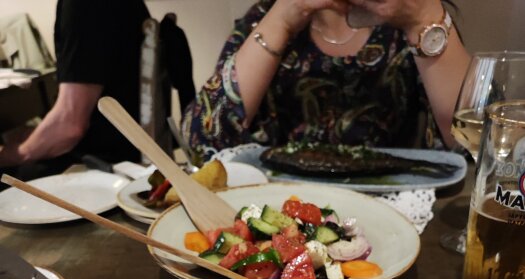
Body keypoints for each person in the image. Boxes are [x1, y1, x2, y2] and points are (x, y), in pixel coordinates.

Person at [182, 0, 470, 163]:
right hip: (285, 214)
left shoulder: (416, 15)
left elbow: (479, 148)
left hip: (399, 213)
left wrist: (423, 18)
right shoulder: (266, 17)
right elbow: (203, 142)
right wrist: (282, 19)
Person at [0, 0, 149, 179]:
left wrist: (15, 154)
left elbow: (70, 127)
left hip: (108, 161)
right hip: (128, 145)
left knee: (9, 172)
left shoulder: (83, 7)